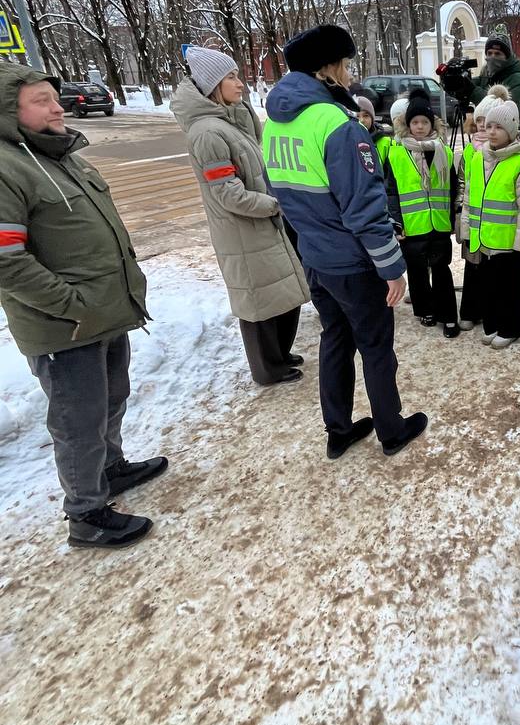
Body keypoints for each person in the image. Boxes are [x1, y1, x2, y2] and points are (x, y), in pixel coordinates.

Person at [0, 63, 166, 548]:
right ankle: (86, 513)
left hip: (103, 311)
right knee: (78, 421)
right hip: (65, 325)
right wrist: (72, 306)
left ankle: (110, 469)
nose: (58, 108)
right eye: (42, 101)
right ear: (8, 111)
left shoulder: (60, 155)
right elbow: (6, 260)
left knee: (112, 397)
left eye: (55, 98)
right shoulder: (6, 168)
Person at [262, 24, 427, 459]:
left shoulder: (274, 124)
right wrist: (392, 268)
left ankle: (338, 430)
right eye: (345, 64)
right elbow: (365, 209)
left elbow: (280, 193)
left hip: (315, 258)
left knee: (335, 339)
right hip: (354, 264)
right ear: (327, 70)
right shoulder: (337, 124)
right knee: (375, 348)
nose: (350, 73)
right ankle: (392, 430)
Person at [171, 47, 310, 387]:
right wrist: (273, 204)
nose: (240, 83)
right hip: (243, 229)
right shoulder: (208, 132)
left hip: (260, 222)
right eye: (231, 77)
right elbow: (228, 193)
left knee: (279, 293)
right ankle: (267, 368)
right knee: (258, 301)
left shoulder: (229, 122)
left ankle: (279, 354)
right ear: (212, 85)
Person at [461, 95, 520, 349]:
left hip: (508, 241)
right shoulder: (478, 158)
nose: (492, 132)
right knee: (488, 286)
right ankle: (492, 324)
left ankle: (511, 328)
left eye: (499, 127)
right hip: (483, 238)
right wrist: (467, 230)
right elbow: (469, 198)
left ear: (512, 131)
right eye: (489, 126)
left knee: (509, 288)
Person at [384, 89, 460, 338]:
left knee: (441, 270)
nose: (419, 127)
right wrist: (395, 222)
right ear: (408, 124)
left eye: (424, 122)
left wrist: (453, 218)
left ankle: (448, 316)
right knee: (417, 271)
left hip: (439, 223)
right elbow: (391, 192)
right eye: (415, 122)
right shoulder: (396, 153)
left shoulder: (444, 151)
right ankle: (425, 309)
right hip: (412, 224)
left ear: (432, 124)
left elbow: (452, 189)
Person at [456, 86, 508, 331]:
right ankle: (469, 310)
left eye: (486, 122)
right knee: (472, 266)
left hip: (493, 223)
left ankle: (488, 311)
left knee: (489, 269)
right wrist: (459, 210)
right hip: (472, 218)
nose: (482, 127)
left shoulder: (502, 150)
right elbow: (461, 182)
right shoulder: (469, 150)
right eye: (478, 121)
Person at [469, 33, 520, 126]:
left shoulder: (518, 80)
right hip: (484, 132)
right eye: (489, 53)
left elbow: (506, 114)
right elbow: (464, 87)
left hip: (507, 134)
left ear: (507, 56)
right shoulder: (486, 76)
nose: (492, 57)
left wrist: (473, 92)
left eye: (497, 54)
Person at [355, 94, 391, 165]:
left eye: (366, 116)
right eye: (357, 116)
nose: (361, 120)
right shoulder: (345, 143)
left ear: (372, 119)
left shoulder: (387, 143)